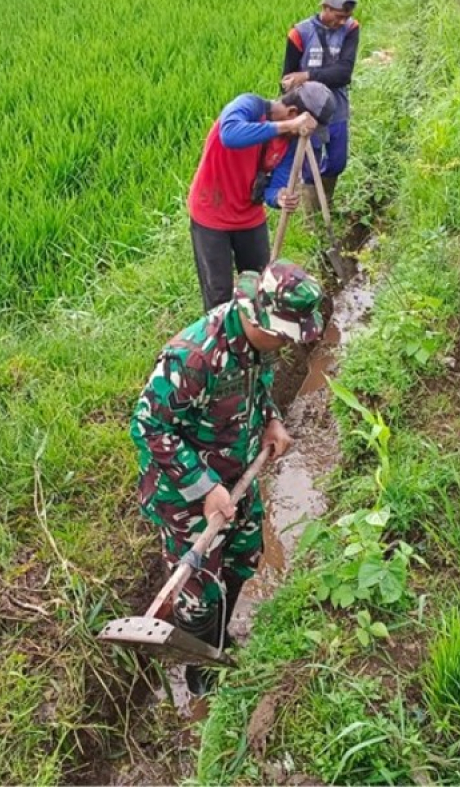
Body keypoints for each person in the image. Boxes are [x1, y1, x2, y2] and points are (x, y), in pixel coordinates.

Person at [130, 260, 326, 696]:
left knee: (244, 555)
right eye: (284, 335)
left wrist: (272, 419)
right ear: (261, 319)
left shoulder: (261, 345)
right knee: (200, 596)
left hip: (235, 472)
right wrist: (203, 488)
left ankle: (220, 640)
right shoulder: (196, 357)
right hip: (184, 491)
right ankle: (203, 673)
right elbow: (147, 427)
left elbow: (258, 387)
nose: (285, 345)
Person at [187, 84, 336, 311]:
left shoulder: (290, 141)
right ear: (294, 114)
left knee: (260, 286)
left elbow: (274, 187)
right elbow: (229, 134)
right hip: (211, 215)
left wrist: (280, 196)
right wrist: (286, 126)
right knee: (219, 296)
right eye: (304, 126)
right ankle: (224, 343)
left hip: (249, 216)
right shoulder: (248, 106)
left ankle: (257, 341)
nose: (303, 135)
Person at [281, 0, 360, 205]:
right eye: (338, 16)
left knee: (337, 162)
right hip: (309, 112)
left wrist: (306, 76)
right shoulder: (299, 33)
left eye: (346, 16)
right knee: (309, 166)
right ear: (325, 8)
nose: (342, 21)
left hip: (337, 107)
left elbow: (344, 73)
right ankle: (313, 219)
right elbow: (287, 77)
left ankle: (326, 199)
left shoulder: (351, 29)